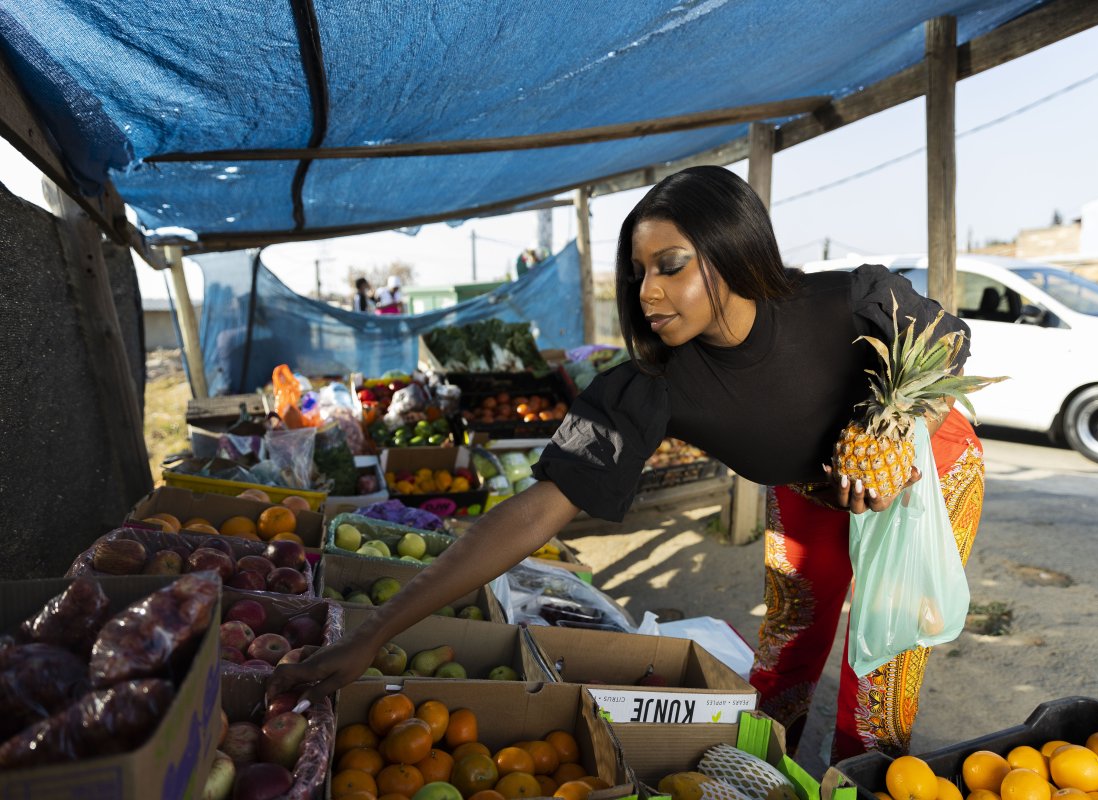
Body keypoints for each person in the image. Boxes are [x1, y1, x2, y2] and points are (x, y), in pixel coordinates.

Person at [271, 166, 986, 759]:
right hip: (808, 483)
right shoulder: (652, 386)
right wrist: (374, 632)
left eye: (670, 266)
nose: (646, 294)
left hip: (930, 462)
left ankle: (855, 779)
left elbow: (948, 341)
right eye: (639, 271)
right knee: (791, 637)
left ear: (731, 248)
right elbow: (536, 508)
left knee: (884, 661)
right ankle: (758, 769)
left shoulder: (844, 300)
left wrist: (894, 434)